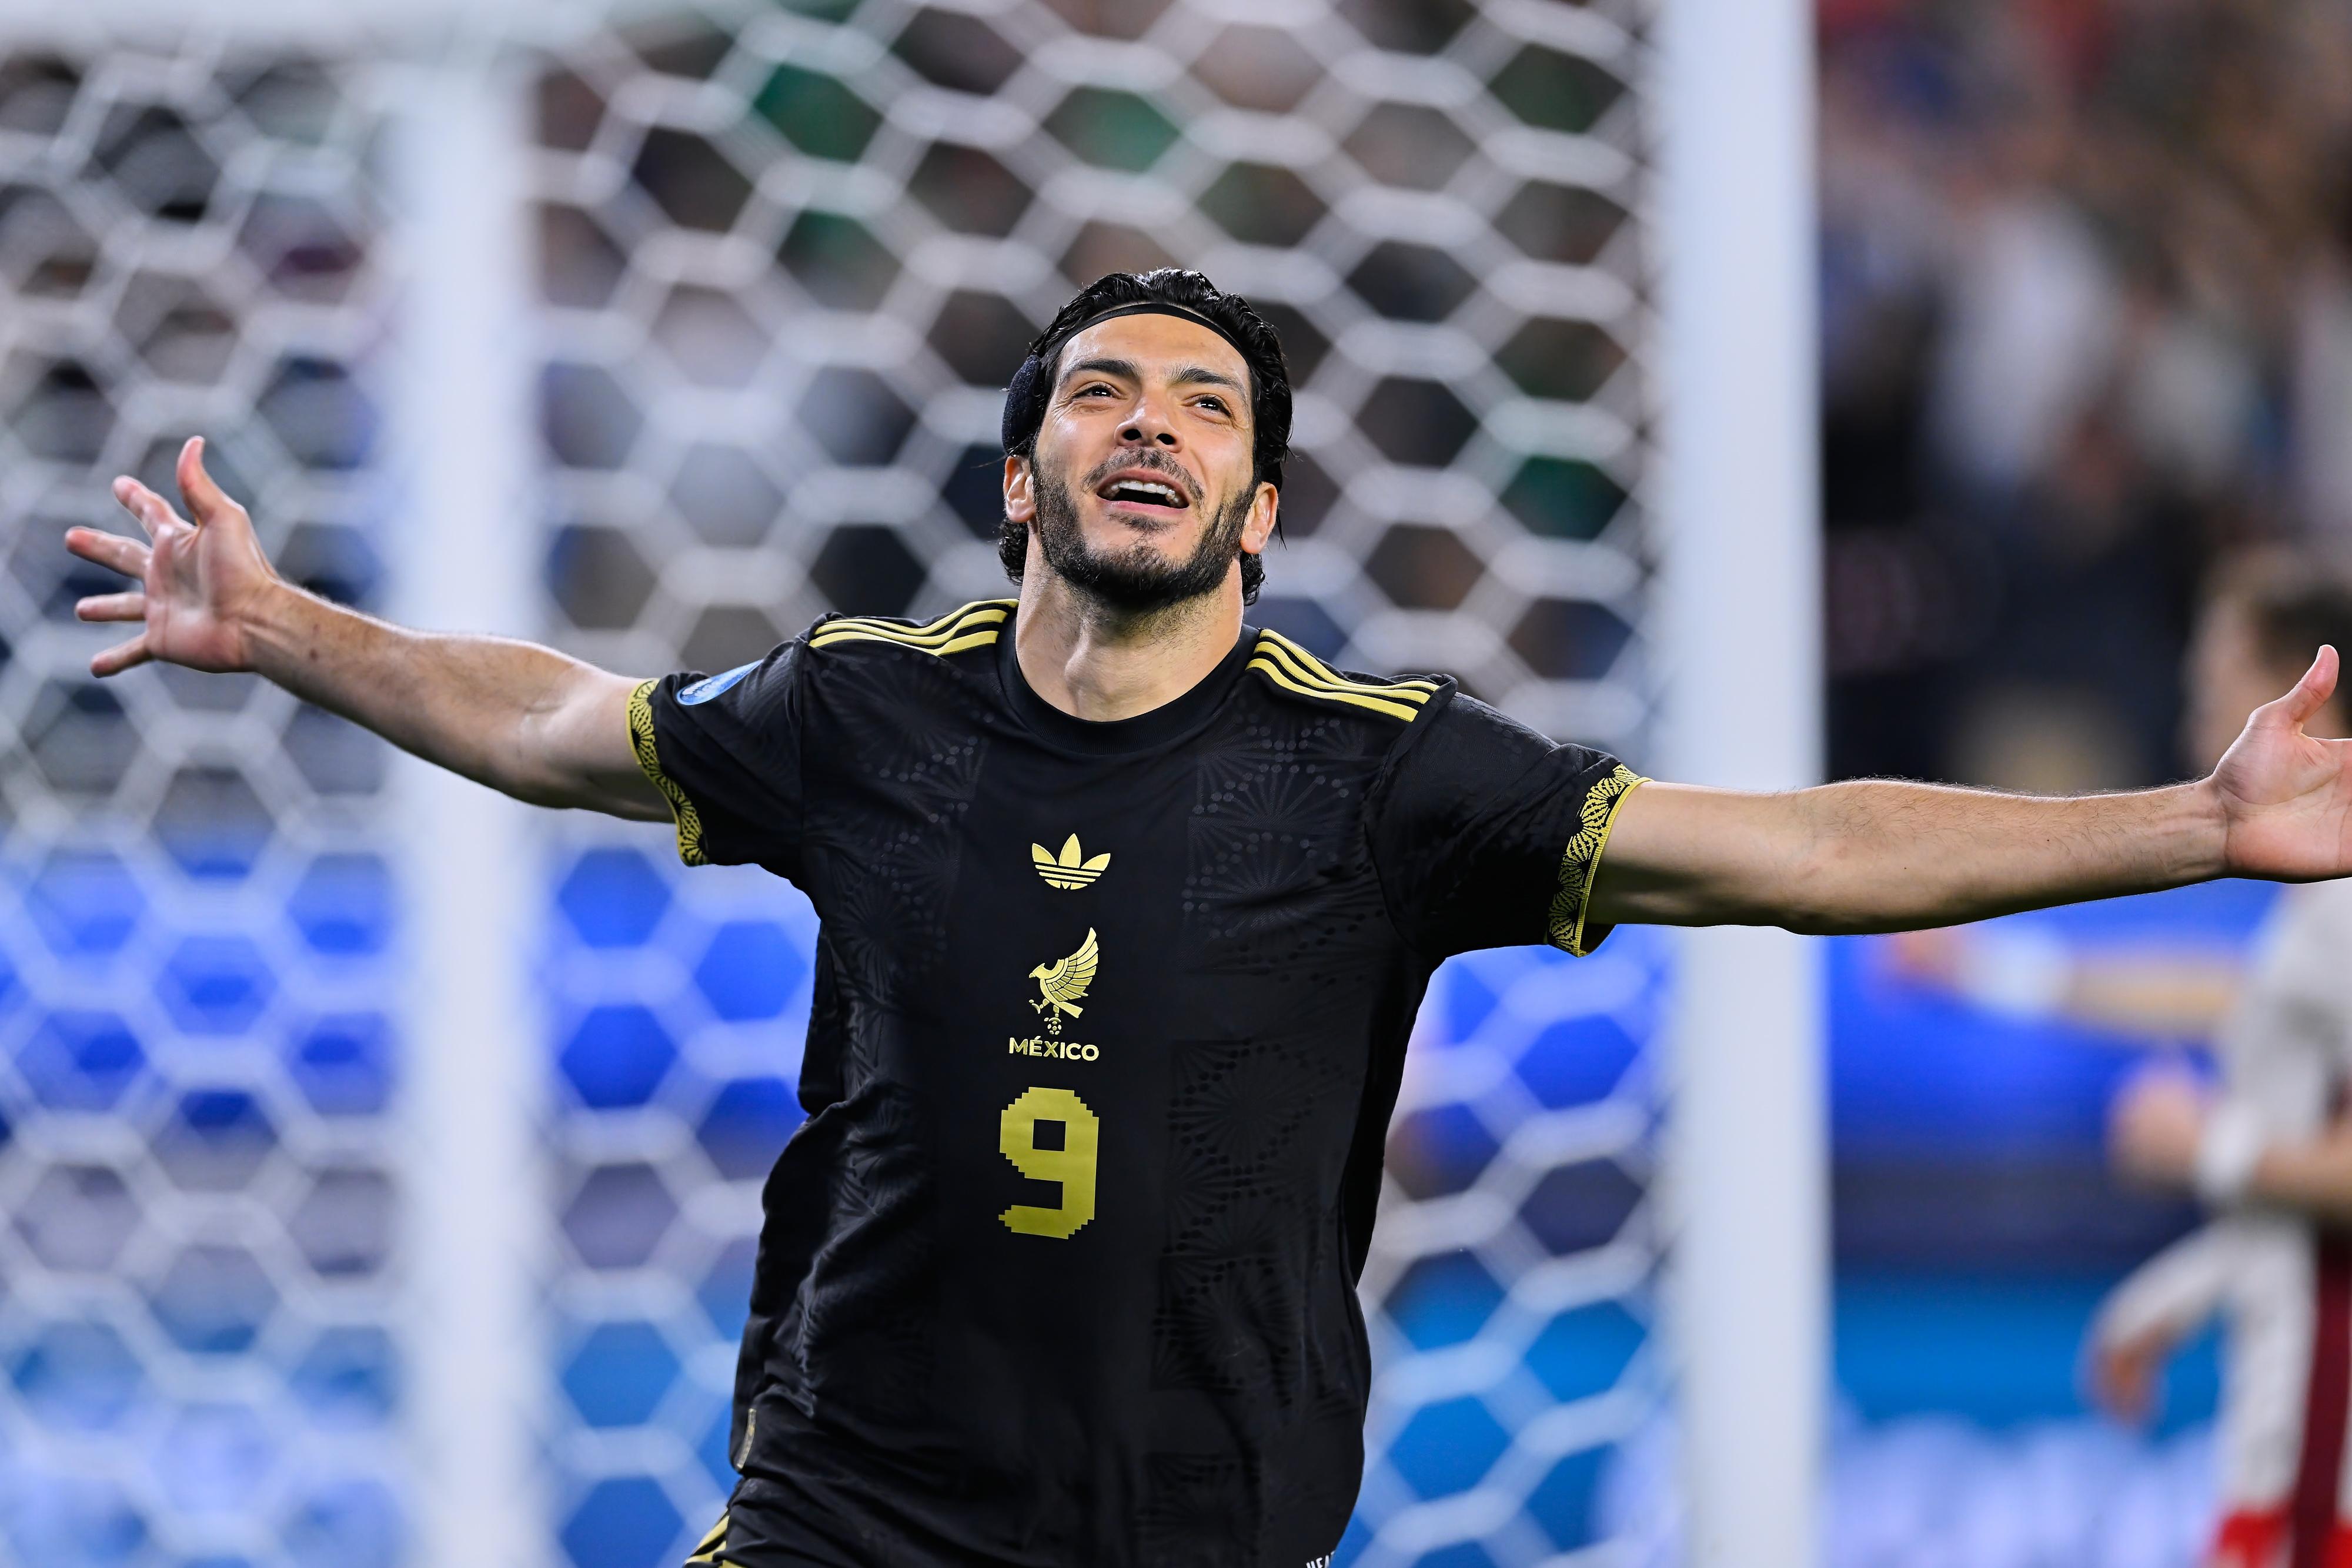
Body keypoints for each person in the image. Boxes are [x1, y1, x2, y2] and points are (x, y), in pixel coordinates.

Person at [61, 268, 2352, 1568]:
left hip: (1199, 1529)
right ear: (1019, 476)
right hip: (847, 1511)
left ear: (1258, 509)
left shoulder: (1380, 771)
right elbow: (567, 720)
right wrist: (284, 629)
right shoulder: (865, 709)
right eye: (1102, 393)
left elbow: (1795, 848)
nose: (1148, 426)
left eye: (1201, 407)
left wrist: (2190, 819)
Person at [2090, 555, 2352, 1568]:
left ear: (2301, 694)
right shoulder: (2313, 910)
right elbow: (2298, 1222)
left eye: (2218, 671)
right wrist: (2175, 1296)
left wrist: (2204, 1141)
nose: (2195, 698)